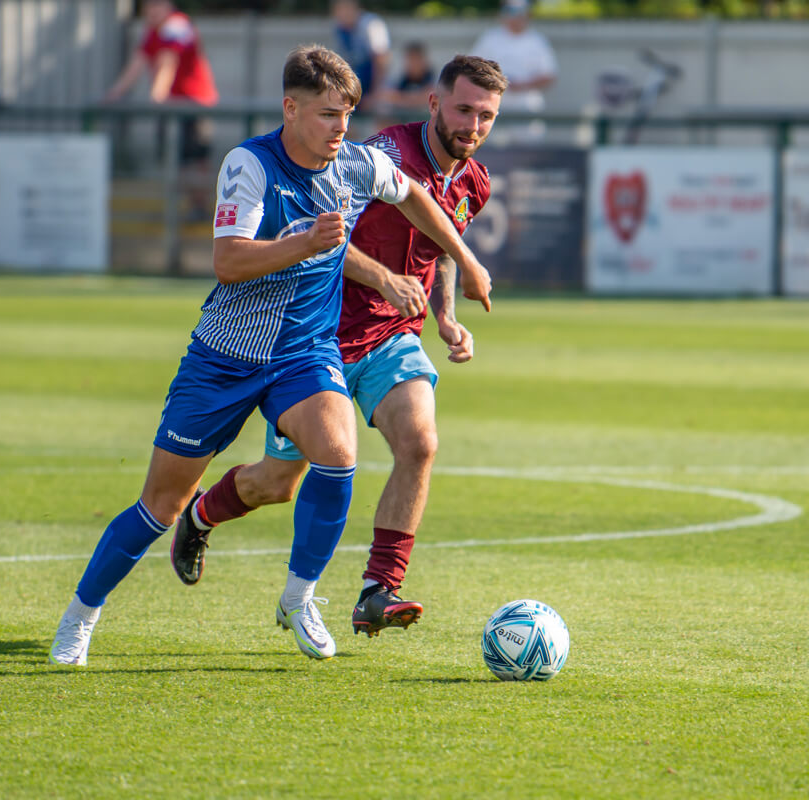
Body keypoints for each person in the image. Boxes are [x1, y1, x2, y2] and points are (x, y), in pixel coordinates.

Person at [49, 45, 493, 667]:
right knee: (160, 506)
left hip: (303, 354)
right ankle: (80, 616)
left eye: (346, 114)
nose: (341, 127)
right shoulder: (249, 165)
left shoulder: (356, 166)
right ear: (290, 108)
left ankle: (298, 597)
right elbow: (228, 262)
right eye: (327, 115)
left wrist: (467, 261)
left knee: (339, 457)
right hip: (225, 357)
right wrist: (308, 241)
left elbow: (416, 196)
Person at [168, 55, 507, 639]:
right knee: (277, 483)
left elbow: (440, 241)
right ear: (434, 103)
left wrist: (447, 316)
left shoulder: (473, 182)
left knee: (420, 441)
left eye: (487, 116)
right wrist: (382, 278)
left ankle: (379, 588)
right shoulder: (384, 156)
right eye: (463, 110)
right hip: (313, 335)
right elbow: (319, 236)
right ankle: (200, 514)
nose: (473, 126)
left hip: (389, 336)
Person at [104, 0, 219, 215]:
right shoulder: (152, 31)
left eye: (157, 4)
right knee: (177, 159)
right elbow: (137, 62)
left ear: (168, 6)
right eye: (148, 5)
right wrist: (115, 93)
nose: (151, 10)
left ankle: (201, 207)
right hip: (172, 106)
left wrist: (157, 94)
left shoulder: (177, 25)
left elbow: (169, 61)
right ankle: (189, 208)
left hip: (194, 103)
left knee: (197, 158)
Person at [470, 0, 556, 142]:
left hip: (526, 107)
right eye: (510, 12)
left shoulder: (537, 41)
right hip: (493, 105)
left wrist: (521, 85)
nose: (516, 18)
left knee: (528, 151)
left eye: (520, 13)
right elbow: (473, 67)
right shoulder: (490, 39)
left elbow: (548, 75)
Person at [331, 0, 391, 112]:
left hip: (374, 86)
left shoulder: (371, 24)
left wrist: (375, 95)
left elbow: (381, 60)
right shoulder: (339, 28)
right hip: (354, 86)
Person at [382, 41, 436, 116]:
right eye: (410, 59)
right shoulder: (401, 79)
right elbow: (388, 96)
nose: (413, 64)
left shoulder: (434, 78)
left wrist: (403, 99)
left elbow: (433, 96)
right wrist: (414, 100)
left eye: (416, 59)